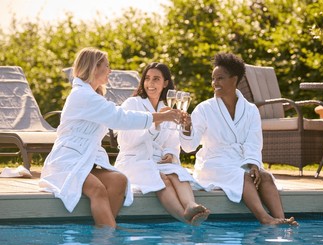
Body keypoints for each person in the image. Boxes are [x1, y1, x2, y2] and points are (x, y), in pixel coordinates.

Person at [39, 48, 181, 229]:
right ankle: (108, 232)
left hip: (86, 159)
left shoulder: (93, 95)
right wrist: (160, 117)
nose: (110, 70)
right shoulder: (83, 96)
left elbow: (118, 116)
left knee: (118, 180)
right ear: (94, 68)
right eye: (107, 66)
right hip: (68, 160)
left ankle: (105, 227)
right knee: (97, 189)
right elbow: (120, 118)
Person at [180, 52, 298, 226]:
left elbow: (253, 141)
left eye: (220, 78)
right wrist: (187, 127)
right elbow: (189, 147)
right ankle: (265, 219)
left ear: (234, 80)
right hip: (214, 163)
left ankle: (282, 219)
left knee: (264, 177)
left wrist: (253, 164)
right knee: (243, 177)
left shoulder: (250, 110)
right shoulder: (204, 109)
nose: (215, 83)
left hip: (240, 160)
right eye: (213, 79)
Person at [114, 62, 210, 226]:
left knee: (176, 173)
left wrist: (171, 153)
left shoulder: (167, 107)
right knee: (161, 179)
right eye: (147, 79)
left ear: (165, 83)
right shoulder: (132, 104)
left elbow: (172, 141)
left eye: (156, 79)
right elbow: (125, 141)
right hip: (134, 161)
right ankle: (185, 217)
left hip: (157, 161)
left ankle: (191, 205)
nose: (150, 84)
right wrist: (156, 120)